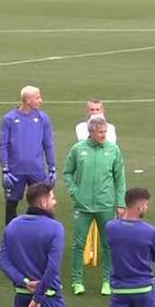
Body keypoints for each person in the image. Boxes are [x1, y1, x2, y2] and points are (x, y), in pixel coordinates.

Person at [63, 114, 126, 296]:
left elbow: (120, 178)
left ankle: (107, 281)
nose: (104, 135)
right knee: (78, 245)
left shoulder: (113, 150)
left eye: (105, 131)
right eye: (100, 132)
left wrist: (120, 203)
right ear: (90, 132)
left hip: (106, 205)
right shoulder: (78, 149)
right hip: (83, 206)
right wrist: (75, 192)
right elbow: (67, 172)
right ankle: (77, 281)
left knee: (108, 245)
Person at [0, 85, 56, 254]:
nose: (41, 100)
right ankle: (8, 243)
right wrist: (5, 169)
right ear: (28, 100)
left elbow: (48, 144)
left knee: (43, 204)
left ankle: (47, 240)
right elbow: (3, 145)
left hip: (36, 170)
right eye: (37, 97)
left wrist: (52, 167)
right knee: (11, 205)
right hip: (15, 171)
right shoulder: (9, 119)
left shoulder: (43, 119)